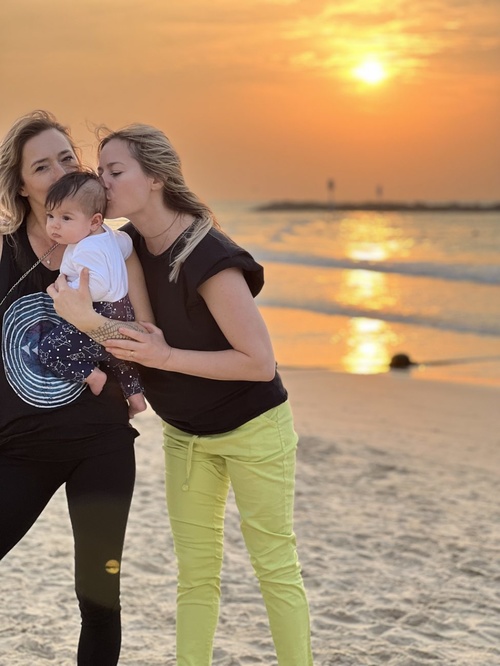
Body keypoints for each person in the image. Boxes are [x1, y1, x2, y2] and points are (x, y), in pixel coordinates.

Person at [49, 122, 314, 665]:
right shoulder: (123, 247)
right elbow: (142, 337)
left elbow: (259, 362)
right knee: (195, 576)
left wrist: (156, 353)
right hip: (186, 436)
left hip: (255, 431)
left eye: (115, 171)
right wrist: (91, 322)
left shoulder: (206, 252)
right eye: (101, 171)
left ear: (156, 178)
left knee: (274, 569)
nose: (102, 182)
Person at [0, 110, 151, 666]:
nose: (61, 170)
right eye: (42, 165)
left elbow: (143, 340)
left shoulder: (112, 248)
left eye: (67, 157)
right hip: (18, 448)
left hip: (101, 445)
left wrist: (91, 323)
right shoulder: (5, 252)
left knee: (99, 596)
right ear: (22, 185)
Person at [40, 170, 146, 418]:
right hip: (122, 308)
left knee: (49, 351)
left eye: (66, 218)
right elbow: (126, 246)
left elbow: (98, 285)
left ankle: (91, 375)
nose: (54, 224)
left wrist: (67, 293)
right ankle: (136, 398)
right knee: (118, 358)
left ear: (94, 221)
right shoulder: (109, 235)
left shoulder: (85, 249)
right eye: (50, 215)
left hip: (100, 310)